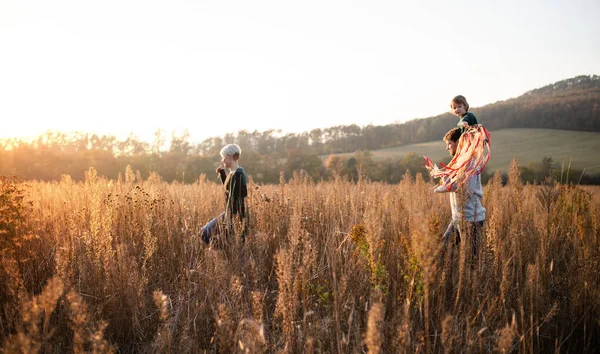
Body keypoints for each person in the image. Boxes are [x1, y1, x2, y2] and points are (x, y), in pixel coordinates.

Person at [435, 128, 486, 259]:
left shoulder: (470, 162)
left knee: (472, 261)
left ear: (458, 142)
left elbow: (465, 188)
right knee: (443, 251)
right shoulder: (460, 162)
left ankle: (474, 279)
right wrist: (444, 177)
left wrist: (445, 188)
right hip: (458, 218)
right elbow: (454, 181)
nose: (447, 148)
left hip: (471, 219)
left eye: (449, 144)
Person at [200, 143, 248, 244]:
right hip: (229, 213)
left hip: (234, 215)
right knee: (204, 233)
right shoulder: (234, 173)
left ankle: (222, 249)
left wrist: (230, 220)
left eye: (223, 157)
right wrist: (222, 174)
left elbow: (238, 198)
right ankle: (222, 250)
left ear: (229, 157)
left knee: (204, 233)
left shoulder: (238, 174)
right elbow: (230, 189)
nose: (222, 160)